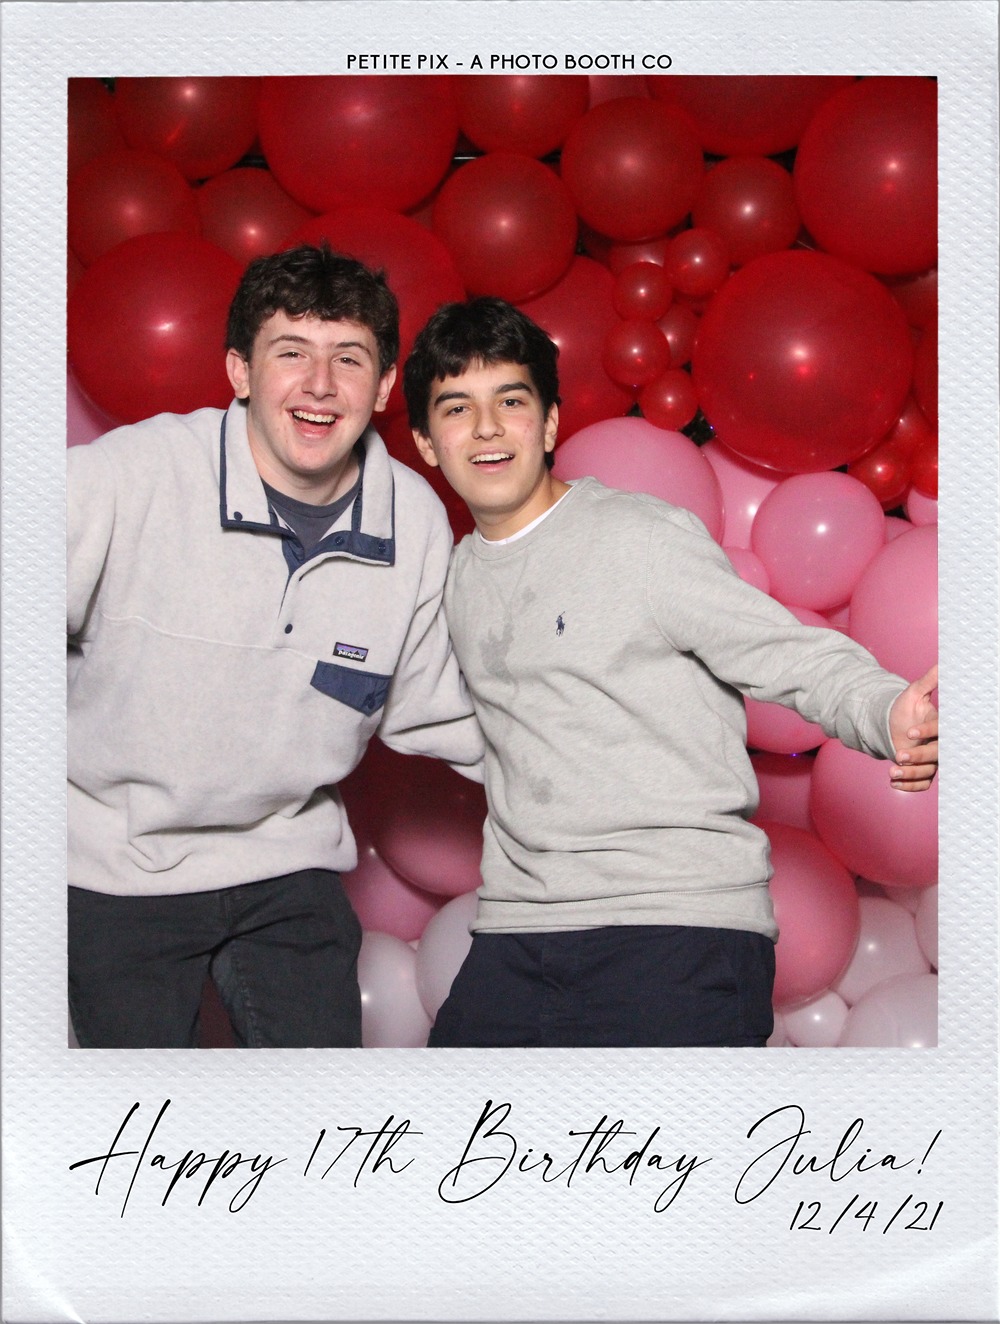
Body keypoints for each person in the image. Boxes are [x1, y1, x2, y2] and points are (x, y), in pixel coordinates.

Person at [403, 296, 939, 1049]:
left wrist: (883, 709)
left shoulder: (639, 537)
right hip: (521, 931)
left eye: (511, 401)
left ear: (549, 424)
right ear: (427, 443)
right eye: (457, 408)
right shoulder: (456, 578)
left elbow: (781, 649)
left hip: (677, 928)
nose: (487, 427)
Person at [67, 244, 483, 1049]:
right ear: (240, 371)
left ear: (384, 387)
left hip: (289, 859)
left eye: (348, 358)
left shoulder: (414, 518)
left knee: (318, 1104)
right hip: (113, 863)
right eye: (291, 352)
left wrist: (603, 780)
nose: (320, 384)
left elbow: (439, 709)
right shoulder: (130, 476)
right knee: (139, 1113)